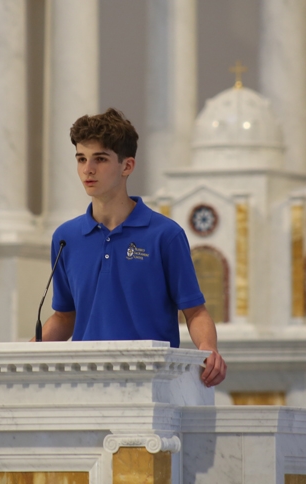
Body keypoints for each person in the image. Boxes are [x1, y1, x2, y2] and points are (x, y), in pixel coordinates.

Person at [38, 108, 226, 387]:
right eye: (81, 159)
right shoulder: (66, 237)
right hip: (83, 382)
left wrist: (208, 349)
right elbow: (66, 317)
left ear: (127, 166)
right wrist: (27, 351)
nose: (87, 169)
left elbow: (195, 312)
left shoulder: (166, 235)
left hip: (151, 381)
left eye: (100, 159)